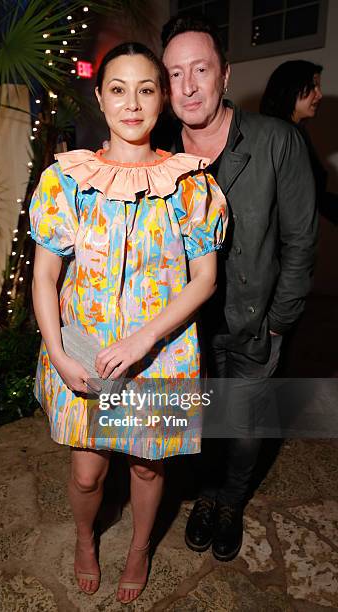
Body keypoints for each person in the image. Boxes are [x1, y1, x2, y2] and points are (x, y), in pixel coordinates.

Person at [30, 42, 227, 603]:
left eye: (146, 89)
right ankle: (84, 537)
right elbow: (45, 279)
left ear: (162, 99)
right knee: (88, 474)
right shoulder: (67, 179)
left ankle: (140, 548)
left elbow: (205, 279)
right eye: (118, 89)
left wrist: (144, 338)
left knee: (146, 470)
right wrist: (59, 354)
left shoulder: (190, 183)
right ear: (100, 97)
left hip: (160, 355)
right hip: (83, 352)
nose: (132, 103)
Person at [160, 14, 318, 561]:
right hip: (182, 330)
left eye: (200, 69)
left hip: (255, 323)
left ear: (224, 75)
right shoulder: (156, 153)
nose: (189, 86)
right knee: (202, 420)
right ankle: (205, 493)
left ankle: (230, 500)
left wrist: (280, 320)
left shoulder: (279, 141)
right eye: (176, 73)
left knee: (247, 426)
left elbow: (301, 241)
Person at [260, 60, 338, 224]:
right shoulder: (280, 135)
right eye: (313, 86)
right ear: (291, 88)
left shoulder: (293, 132)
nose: (319, 94)